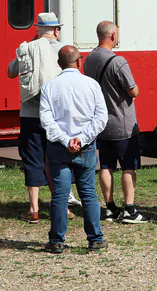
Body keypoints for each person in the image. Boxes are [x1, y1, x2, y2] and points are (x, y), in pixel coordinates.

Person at [7, 12, 78, 223]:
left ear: (37, 29)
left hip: (30, 114)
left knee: (32, 158)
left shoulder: (27, 49)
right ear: (56, 30)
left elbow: (11, 72)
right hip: (57, 116)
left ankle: (34, 209)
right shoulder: (65, 51)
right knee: (59, 158)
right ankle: (64, 207)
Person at [40, 46, 108, 254]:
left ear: (59, 64)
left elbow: (46, 120)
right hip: (85, 148)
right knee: (88, 193)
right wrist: (82, 138)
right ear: (79, 61)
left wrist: (66, 140)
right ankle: (95, 238)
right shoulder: (92, 85)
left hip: (59, 148)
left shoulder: (49, 87)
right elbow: (101, 118)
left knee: (60, 195)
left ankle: (57, 240)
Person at [84, 21, 145, 224]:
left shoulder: (89, 59)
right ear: (112, 36)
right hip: (123, 122)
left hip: (101, 123)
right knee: (128, 166)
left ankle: (109, 208)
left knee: (106, 166)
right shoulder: (118, 62)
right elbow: (133, 90)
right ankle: (129, 209)